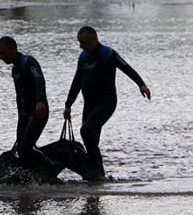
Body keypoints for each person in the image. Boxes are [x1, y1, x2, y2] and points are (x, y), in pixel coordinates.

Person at [64, 26, 151, 181]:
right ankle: (99, 175)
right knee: (91, 139)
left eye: (83, 42)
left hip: (106, 102)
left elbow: (126, 68)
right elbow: (77, 82)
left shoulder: (107, 54)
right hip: (89, 104)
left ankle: (94, 168)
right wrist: (68, 105)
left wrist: (141, 84)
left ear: (93, 40)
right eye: (79, 42)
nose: (80, 46)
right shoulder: (83, 57)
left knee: (85, 130)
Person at [0, 36, 60, 178]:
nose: (1, 57)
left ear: (13, 49)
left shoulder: (28, 61)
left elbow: (39, 80)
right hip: (25, 114)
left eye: (3, 53)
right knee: (21, 149)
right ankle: (34, 176)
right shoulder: (15, 70)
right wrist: (20, 118)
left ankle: (51, 167)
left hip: (38, 112)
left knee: (25, 148)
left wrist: (40, 101)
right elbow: (19, 96)